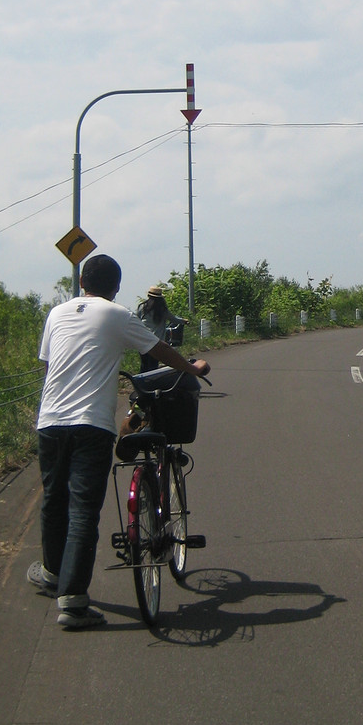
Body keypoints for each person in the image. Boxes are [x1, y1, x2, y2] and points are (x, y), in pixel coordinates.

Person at [29, 253, 210, 630]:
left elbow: (49, 368)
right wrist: (191, 368)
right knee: (82, 511)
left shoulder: (56, 314)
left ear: (82, 283)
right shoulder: (117, 313)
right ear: (115, 289)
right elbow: (157, 349)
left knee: (53, 500)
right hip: (91, 425)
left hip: (49, 422)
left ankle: (50, 573)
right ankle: (74, 601)